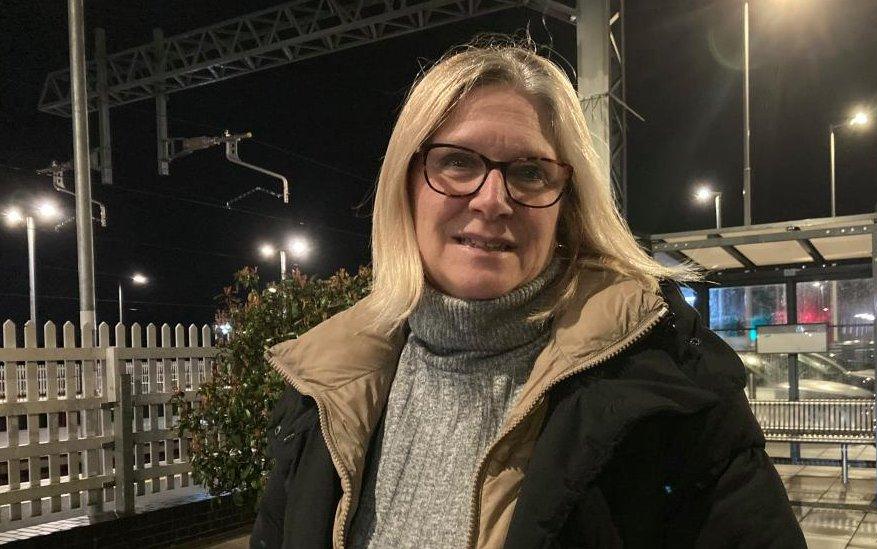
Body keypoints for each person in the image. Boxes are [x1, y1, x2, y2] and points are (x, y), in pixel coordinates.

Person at [250, 40, 804, 549]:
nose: (493, 200)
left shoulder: (669, 382)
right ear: (407, 183)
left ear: (568, 202)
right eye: (458, 162)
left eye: (530, 173)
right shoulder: (322, 387)